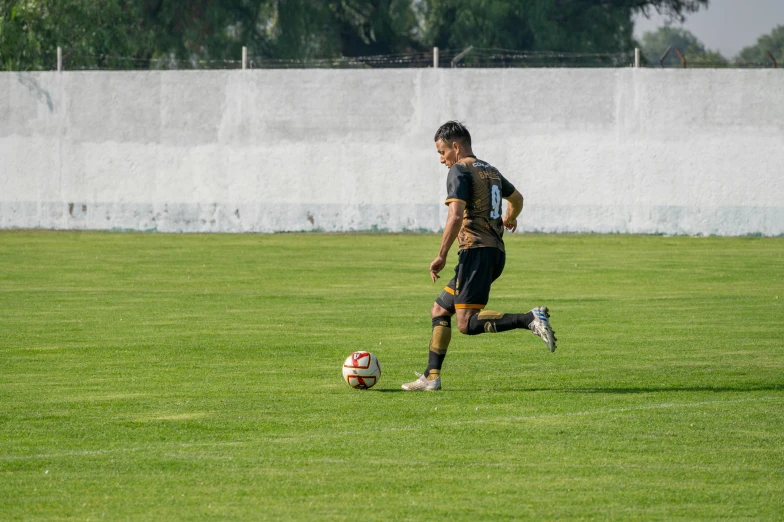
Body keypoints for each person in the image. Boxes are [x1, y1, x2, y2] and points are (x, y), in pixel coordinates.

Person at [402, 121, 557, 391]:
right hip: (493, 254)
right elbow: (517, 198)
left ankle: (529, 318)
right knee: (440, 309)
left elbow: (456, 216)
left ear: (455, 146)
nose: (441, 160)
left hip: (475, 254)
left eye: (442, 153)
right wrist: (510, 217)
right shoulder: (491, 170)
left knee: (467, 323)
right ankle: (431, 377)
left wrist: (440, 255)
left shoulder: (459, 171)